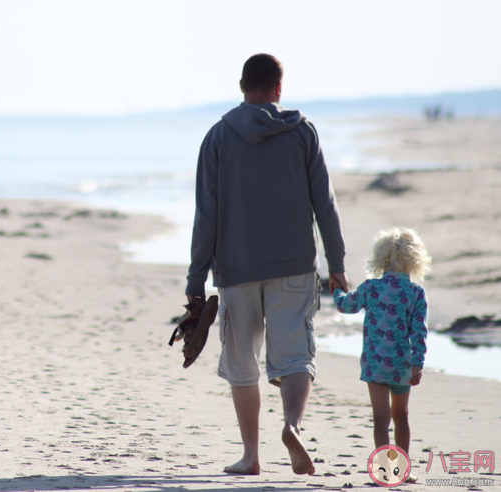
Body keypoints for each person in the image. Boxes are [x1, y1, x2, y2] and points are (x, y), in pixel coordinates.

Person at [184, 53, 348, 476]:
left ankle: (251, 456)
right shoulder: (302, 131)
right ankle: (292, 425)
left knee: (242, 362)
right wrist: (337, 262)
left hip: (236, 269)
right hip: (294, 264)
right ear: (279, 88)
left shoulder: (218, 136)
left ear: (242, 86)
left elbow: (207, 215)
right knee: (294, 356)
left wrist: (195, 280)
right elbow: (324, 204)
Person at [333, 228, 430, 483]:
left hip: (375, 364)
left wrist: (336, 290)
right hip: (401, 365)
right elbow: (419, 332)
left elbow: (346, 305)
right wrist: (417, 364)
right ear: (414, 260)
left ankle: (386, 471)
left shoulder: (371, 288)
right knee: (401, 416)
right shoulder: (416, 293)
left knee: (380, 418)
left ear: (381, 258)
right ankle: (403, 470)